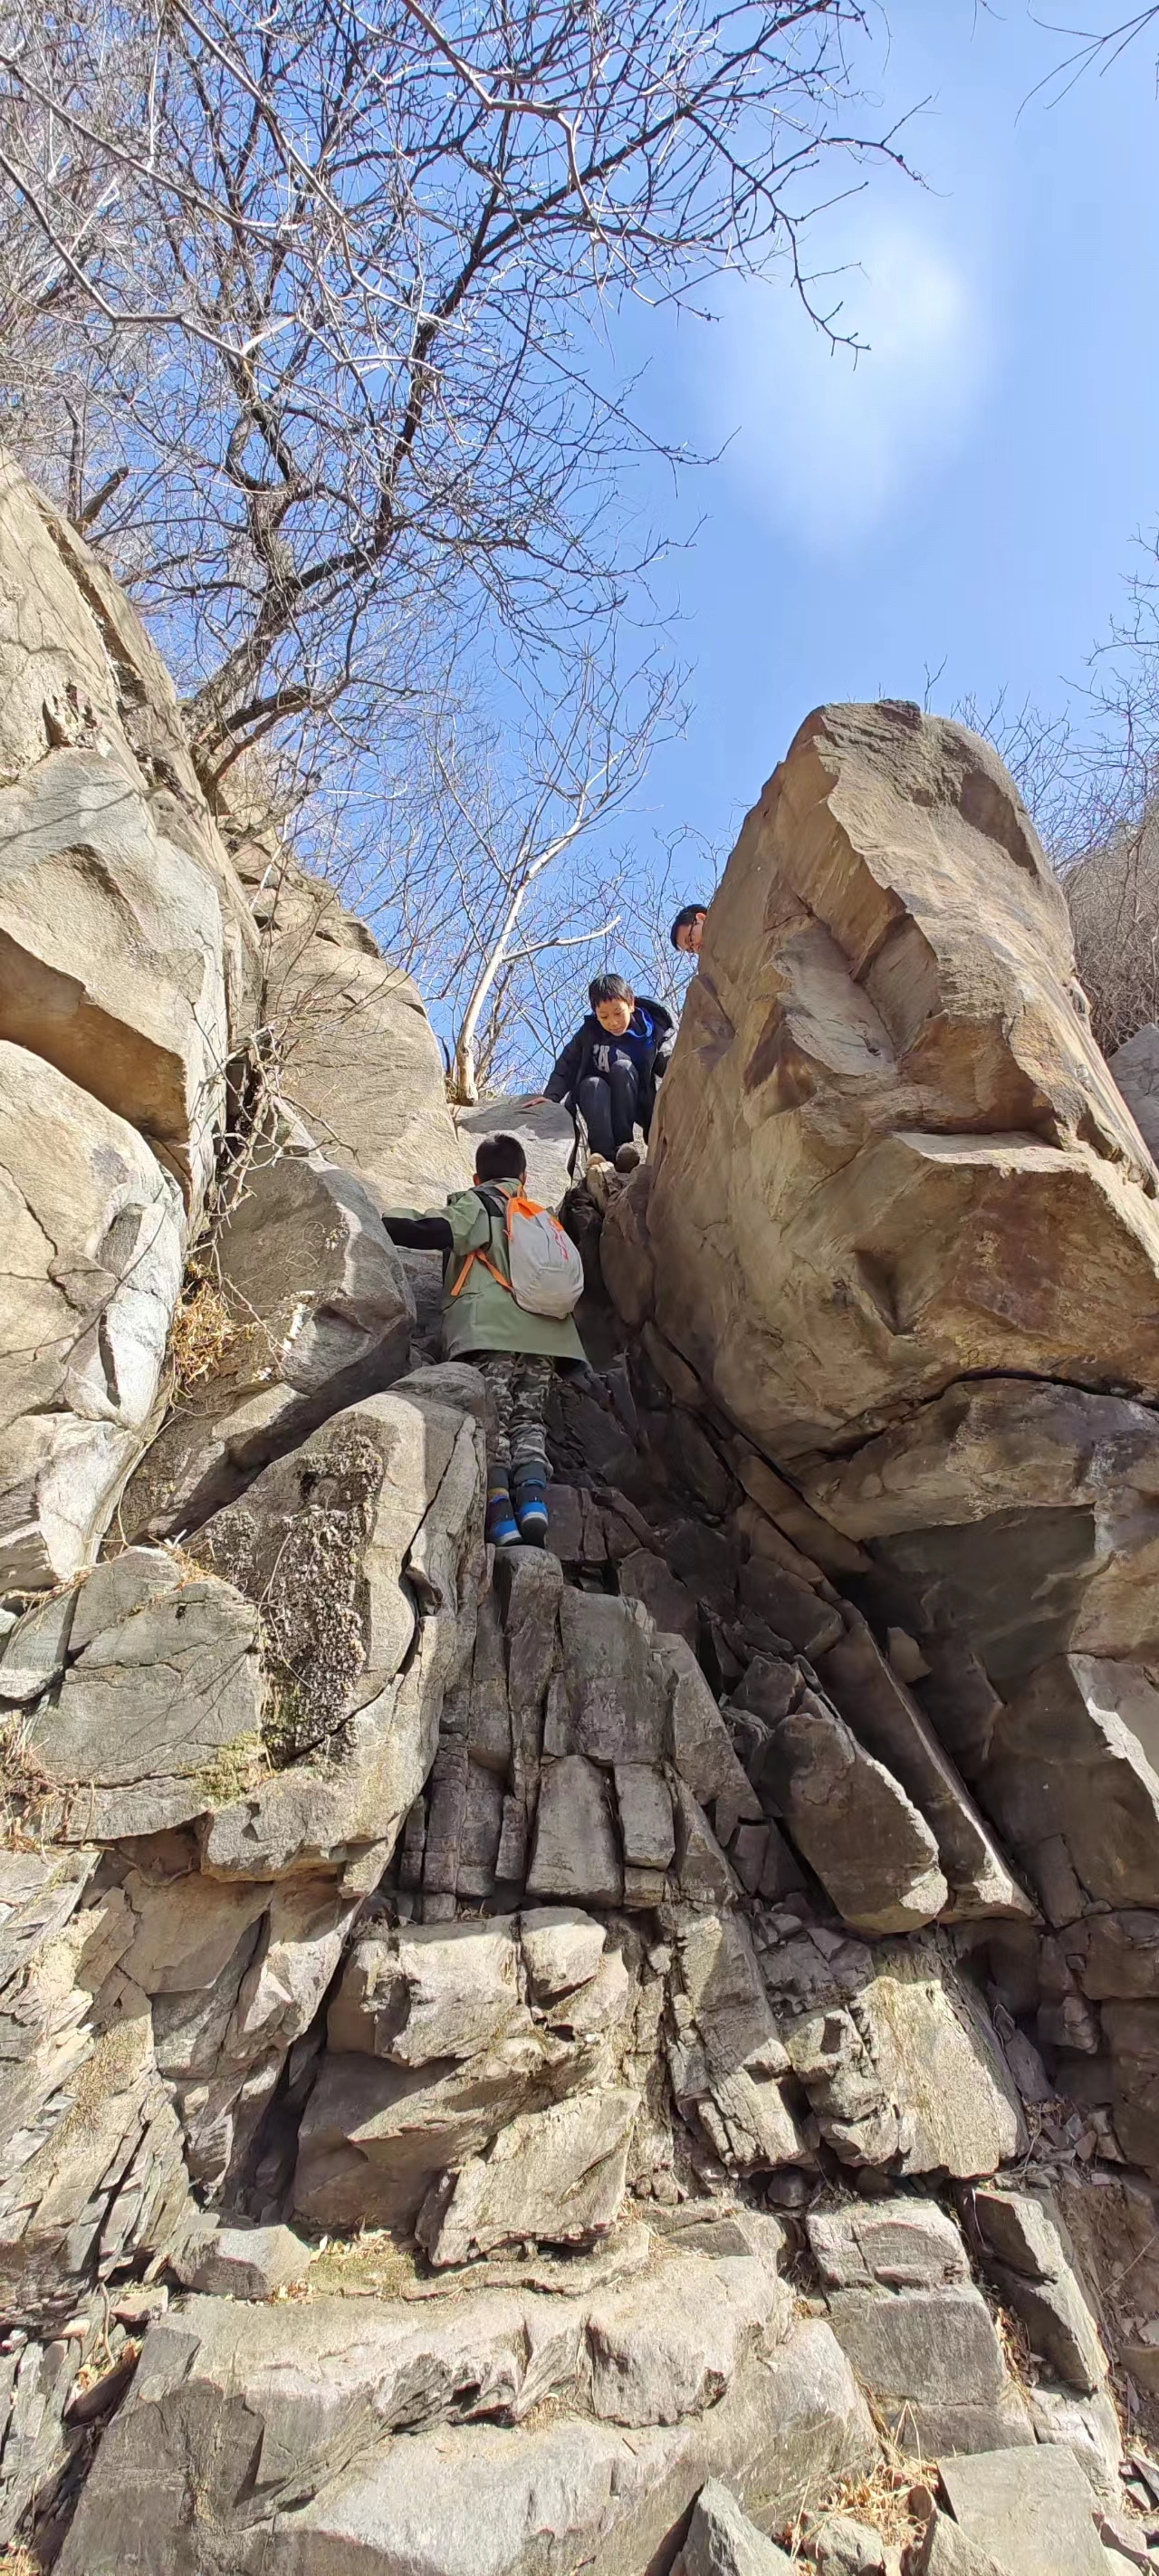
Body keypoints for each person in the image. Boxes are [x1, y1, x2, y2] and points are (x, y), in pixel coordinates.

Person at [381, 1134, 584, 1550]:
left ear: (477, 1176)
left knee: (489, 1424)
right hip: (547, 1339)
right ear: (524, 1177)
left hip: (490, 1334)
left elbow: (435, 1229)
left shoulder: (480, 1203)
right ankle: (533, 1504)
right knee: (528, 1420)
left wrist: (378, 1217)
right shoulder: (542, 1218)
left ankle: (501, 1520)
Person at [543, 973, 674, 1165]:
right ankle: (601, 1155)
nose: (613, 1022)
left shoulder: (651, 1030)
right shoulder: (590, 1032)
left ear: (631, 1004)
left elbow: (667, 1060)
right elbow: (568, 1062)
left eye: (618, 1013)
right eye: (604, 1016)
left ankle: (624, 1147)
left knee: (623, 1067)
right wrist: (550, 1098)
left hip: (634, 1098)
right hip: (596, 1099)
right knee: (591, 1083)